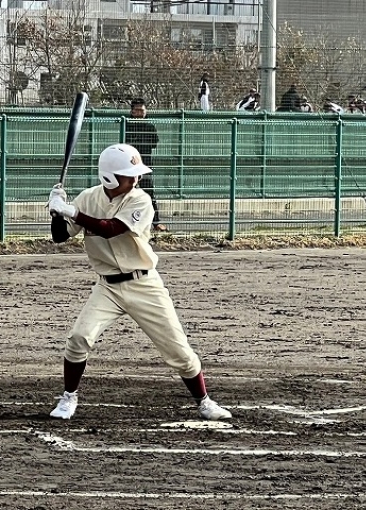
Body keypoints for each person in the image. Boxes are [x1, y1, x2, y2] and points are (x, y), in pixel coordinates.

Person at [46, 143, 232, 422]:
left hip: (144, 284)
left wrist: (71, 212)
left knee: (178, 350)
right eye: (128, 175)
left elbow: (111, 229)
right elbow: (60, 236)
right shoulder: (88, 198)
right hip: (108, 287)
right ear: (109, 177)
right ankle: (68, 397)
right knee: (79, 338)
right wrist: (56, 211)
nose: (136, 179)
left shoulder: (141, 200)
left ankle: (204, 401)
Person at [125, 98, 167, 232]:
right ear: (132, 111)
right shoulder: (126, 125)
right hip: (129, 166)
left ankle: (156, 222)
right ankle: (124, 222)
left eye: (142, 110)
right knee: (126, 193)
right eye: (136, 110)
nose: (139, 113)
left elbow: (154, 143)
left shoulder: (149, 127)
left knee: (149, 193)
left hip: (145, 164)